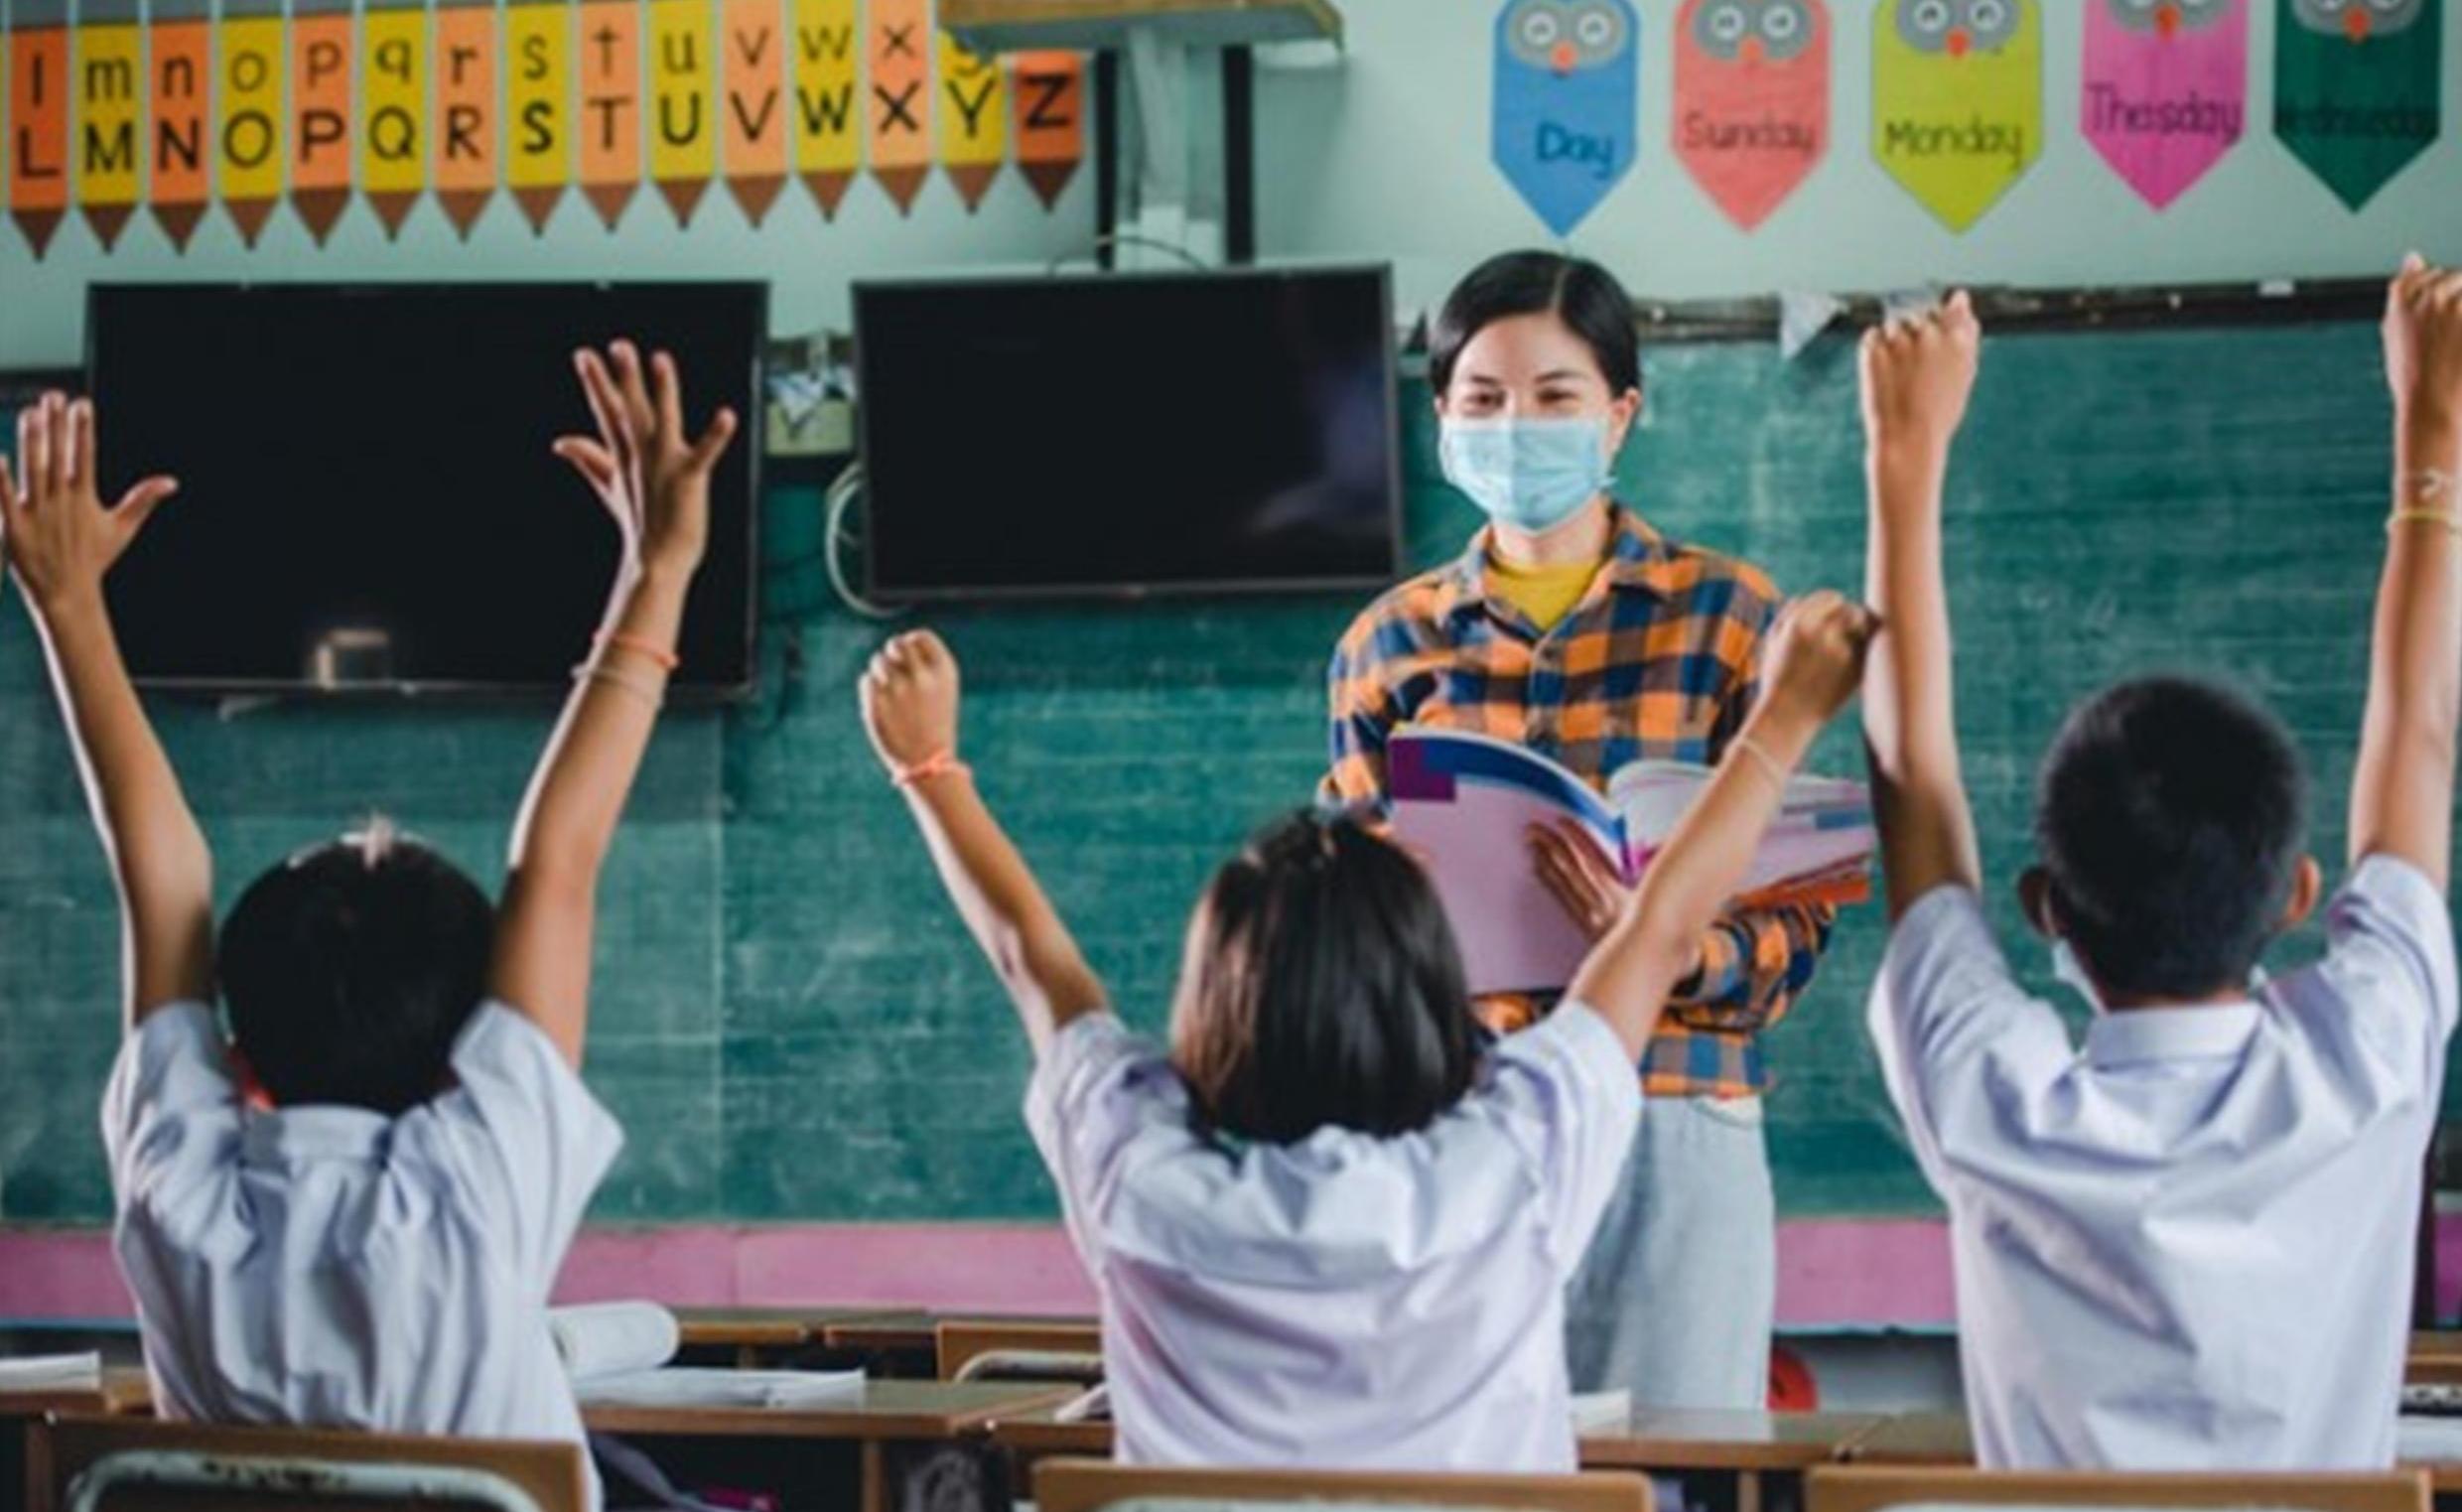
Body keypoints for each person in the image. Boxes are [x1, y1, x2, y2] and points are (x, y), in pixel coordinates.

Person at [859, 589, 1874, 1468]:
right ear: (1432, 999)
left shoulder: (1137, 1163)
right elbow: (1650, 937)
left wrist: (929, 769)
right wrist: (1775, 724)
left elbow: (1033, 962)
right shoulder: (1507, 1159)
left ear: (1211, 1002)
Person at [0, 344, 734, 1502]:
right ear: (464, 1062)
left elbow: (161, 872)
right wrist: (660, 565)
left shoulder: (184, 1193)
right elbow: (557, 863)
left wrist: (68, 607)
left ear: (235, 1066)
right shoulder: (472, 1186)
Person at [1861, 268, 2462, 1467]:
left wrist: (1903, 458)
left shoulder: (1996, 1093)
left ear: (2046, 908)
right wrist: (2432, 421)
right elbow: (2419, 728)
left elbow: (1911, 777)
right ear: (2297, 894)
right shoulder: (2365, 1063)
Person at [1323, 249, 1837, 1406]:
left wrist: (1655, 943)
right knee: (1473, 1459)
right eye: (1483, 398)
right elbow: (1337, 927)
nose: (1516, 425)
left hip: (1672, 1104)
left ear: (1618, 415)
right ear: (1441, 412)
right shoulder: (1385, 645)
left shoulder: (1732, 618)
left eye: (1554, 397)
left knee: (1673, 1454)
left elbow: (1796, 920)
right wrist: (1397, 922)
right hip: (1457, 1121)